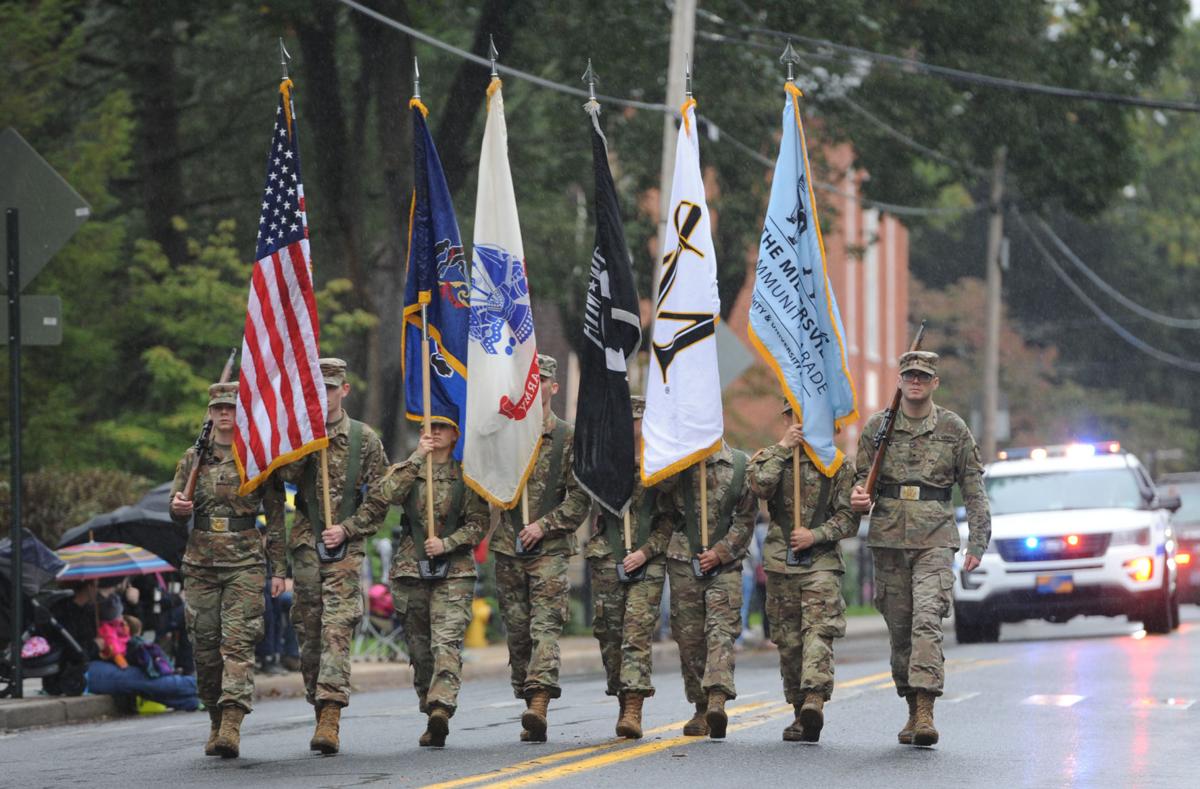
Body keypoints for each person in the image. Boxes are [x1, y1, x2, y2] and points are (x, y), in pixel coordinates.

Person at [850, 351, 991, 747]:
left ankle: (927, 709)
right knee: (900, 632)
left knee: (927, 621)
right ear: (900, 380)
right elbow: (861, 479)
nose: (915, 381)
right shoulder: (879, 427)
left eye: (923, 376)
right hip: (889, 540)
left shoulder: (953, 428)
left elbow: (974, 487)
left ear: (934, 383)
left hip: (935, 539)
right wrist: (859, 498)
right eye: (909, 375)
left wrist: (978, 541)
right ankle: (911, 705)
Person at [267, 358, 390, 755]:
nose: (325, 395)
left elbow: (382, 498)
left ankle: (332, 714)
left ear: (345, 390)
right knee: (311, 631)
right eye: (318, 389)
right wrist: (306, 443)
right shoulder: (301, 436)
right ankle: (319, 704)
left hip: (346, 550)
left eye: (331, 388)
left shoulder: (364, 439)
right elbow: (282, 479)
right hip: (305, 545)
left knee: (337, 627)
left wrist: (350, 528)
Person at [170, 381, 285, 758]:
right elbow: (175, 512)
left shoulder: (256, 457)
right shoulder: (193, 458)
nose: (223, 414)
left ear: (241, 413)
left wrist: (279, 567)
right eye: (218, 407)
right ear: (210, 412)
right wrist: (179, 508)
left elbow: (278, 515)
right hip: (201, 562)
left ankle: (232, 724)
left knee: (237, 643)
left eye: (230, 408)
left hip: (245, 562)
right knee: (204, 647)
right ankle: (215, 716)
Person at [490, 354, 591, 742]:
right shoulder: (504, 435)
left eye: (543, 381)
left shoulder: (568, 438)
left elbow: (580, 499)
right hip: (508, 547)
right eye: (531, 382)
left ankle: (539, 703)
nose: (537, 389)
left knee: (544, 627)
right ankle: (527, 692)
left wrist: (543, 526)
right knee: (517, 634)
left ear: (553, 386)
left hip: (549, 550)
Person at [748, 403, 859, 742]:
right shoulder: (772, 456)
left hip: (820, 563)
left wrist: (816, 535)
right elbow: (758, 488)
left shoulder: (839, 465)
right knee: (789, 640)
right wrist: (784, 448)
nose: (801, 422)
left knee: (818, 631)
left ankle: (814, 698)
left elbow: (848, 518)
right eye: (794, 416)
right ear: (786, 419)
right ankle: (800, 713)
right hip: (781, 563)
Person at [380, 419, 488, 747]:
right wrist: (415, 458)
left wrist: (449, 542)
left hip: (453, 571)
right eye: (429, 426)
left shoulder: (467, 476)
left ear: (456, 434)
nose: (435, 431)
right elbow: (387, 494)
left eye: (443, 427)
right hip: (412, 571)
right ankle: (430, 710)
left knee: (446, 641)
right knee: (420, 650)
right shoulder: (411, 469)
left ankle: (441, 706)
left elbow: (479, 523)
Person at [584, 396, 673, 739]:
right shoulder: (603, 462)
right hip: (608, 556)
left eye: (638, 421)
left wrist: (646, 551)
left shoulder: (661, 466)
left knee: (636, 632)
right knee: (610, 634)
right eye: (628, 421)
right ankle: (622, 695)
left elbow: (670, 520)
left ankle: (634, 705)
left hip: (647, 561)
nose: (633, 428)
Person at [658, 440, 756, 739]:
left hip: (725, 565)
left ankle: (716, 699)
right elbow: (662, 503)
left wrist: (722, 551)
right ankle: (700, 706)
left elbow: (746, 518)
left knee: (720, 631)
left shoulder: (741, 464)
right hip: (684, 560)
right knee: (689, 637)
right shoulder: (677, 463)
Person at [50, 583, 200, 711]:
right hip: (82, 672)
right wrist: (96, 645)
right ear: (91, 587)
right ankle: (209, 687)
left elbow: (134, 626)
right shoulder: (65, 613)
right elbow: (70, 654)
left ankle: (194, 701)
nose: (111, 593)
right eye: (107, 589)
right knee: (144, 680)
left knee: (146, 682)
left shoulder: (92, 610)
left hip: (103, 663)